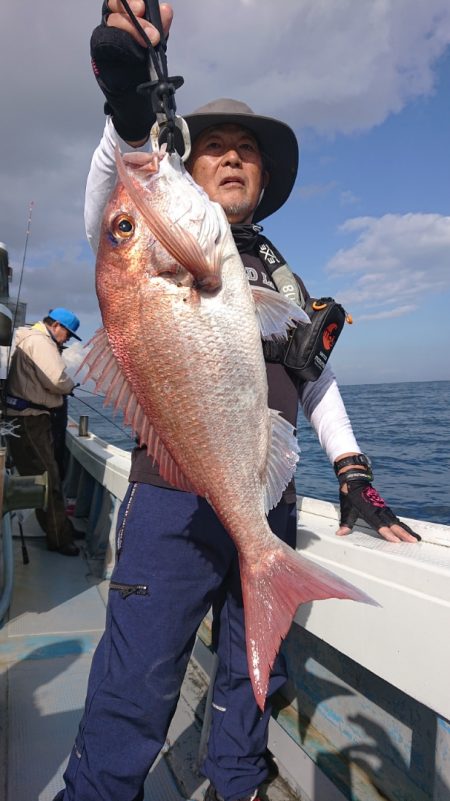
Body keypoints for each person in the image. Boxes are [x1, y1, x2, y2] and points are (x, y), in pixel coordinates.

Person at [54, 4, 419, 800]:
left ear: (262, 179)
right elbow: (114, 193)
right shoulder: (154, 232)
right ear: (191, 164)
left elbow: (315, 382)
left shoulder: (281, 278)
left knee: (247, 685)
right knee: (136, 680)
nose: (231, 158)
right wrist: (126, 106)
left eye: (246, 152)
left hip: (267, 492)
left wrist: (354, 474)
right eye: (215, 146)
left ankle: (239, 781)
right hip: (173, 500)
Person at [6, 307, 82, 556]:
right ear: (56, 325)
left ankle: (62, 528)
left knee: (48, 476)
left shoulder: (32, 338)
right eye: (68, 333)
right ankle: (60, 539)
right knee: (48, 479)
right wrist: (69, 386)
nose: (67, 339)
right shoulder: (40, 341)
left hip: (29, 419)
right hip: (31, 421)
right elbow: (57, 379)